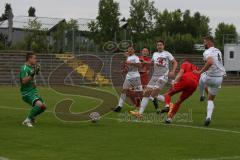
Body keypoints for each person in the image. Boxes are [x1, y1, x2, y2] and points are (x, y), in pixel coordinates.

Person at [130, 40, 177, 117]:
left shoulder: (167, 53)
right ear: (156, 46)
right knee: (146, 94)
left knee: (152, 94)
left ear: (163, 46)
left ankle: (169, 103)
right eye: (158, 45)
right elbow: (151, 63)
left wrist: (173, 71)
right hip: (155, 76)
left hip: (163, 76)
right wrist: (144, 62)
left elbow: (174, 62)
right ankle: (140, 113)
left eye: (161, 45)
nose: (159, 46)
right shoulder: (155, 54)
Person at [193, 36, 226, 126]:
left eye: (204, 42)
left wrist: (199, 71)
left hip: (210, 77)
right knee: (211, 99)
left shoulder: (207, 52)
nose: (203, 44)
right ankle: (208, 117)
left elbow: (210, 62)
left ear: (208, 42)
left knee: (201, 76)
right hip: (219, 78)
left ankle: (202, 95)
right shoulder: (218, 50)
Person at [159, 59, 200, 123]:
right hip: (194, 85)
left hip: (186, 79)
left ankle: (167, 106)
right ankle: (169, 118)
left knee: (167, 94)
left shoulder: (185, 63)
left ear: (183, 62)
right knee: (179, 102)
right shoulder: (197, 68)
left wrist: (175, 82)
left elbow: (181, 73)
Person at [20, 52, 47, 127]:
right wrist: (32, 74)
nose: (36, 60)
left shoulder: (32, 68)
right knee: (39, 104)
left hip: (33, 92)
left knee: (43, 107)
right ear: (29, 59)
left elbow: (33, 82)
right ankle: (27, 120)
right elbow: (24, 81)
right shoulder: (24, 68)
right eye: (34, 58)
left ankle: (32, 117)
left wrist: (35, 80)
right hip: (26, 93)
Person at [114, 46, 142, 112]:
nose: (129, 50)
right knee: (123, 91)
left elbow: (140, 65)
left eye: (131, 49)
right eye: (128, 50)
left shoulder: (136, 57)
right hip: (128, 77)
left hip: (135, 77)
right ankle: (119, 106)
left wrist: (131, 63)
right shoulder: (128, 57)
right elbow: (128, 68)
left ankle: (152, 99)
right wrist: (121, 71)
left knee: (139, 93)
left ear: (134, 51)